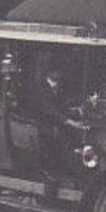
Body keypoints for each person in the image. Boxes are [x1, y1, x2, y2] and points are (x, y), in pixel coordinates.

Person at [29, 65, 82, 196]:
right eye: (58, 70)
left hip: (56, 125)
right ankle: (51, 180)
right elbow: (49, 112)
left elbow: (61, 108)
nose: (61, 73)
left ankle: (73, 172)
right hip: (43, 126)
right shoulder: (40, 89)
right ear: (51, 72)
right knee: (59, 138)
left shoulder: (59, 89)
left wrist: (76, 111)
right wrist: (70, 122)